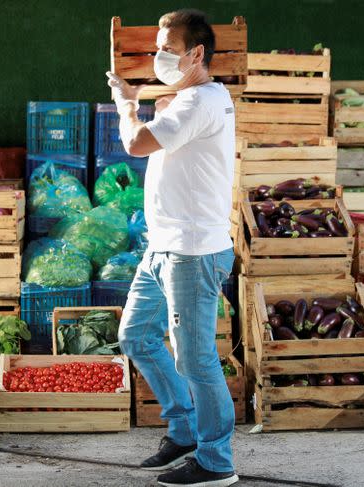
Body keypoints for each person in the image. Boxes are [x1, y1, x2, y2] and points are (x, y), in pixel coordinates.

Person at [106, 8, 237, 487]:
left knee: (196, 358)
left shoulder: (199, 102)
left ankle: (216, 460)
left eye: (167, 49)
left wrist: (126, 102)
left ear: (197, 53)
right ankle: (183, 430)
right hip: (163, 246)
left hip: (192, 252)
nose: (157, 56)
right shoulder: (192, 98)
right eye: (156, 47)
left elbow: (137, 143)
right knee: (136, 336)